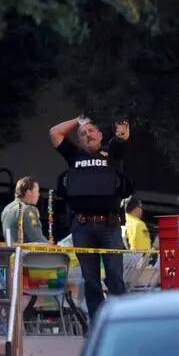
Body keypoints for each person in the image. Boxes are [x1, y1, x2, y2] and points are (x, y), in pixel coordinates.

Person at [50, 114, 131, 321]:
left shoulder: (112, 153)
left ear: (101, 134)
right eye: (83, 134)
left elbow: (122, 138)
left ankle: (123, 324)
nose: (88, 135)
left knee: (115, 279)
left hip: (110, 225)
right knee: (91, 281)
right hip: (82, 227)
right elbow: (55, 133)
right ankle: (97, 326)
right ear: (80, 140)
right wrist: (78, 121)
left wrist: (122, 133)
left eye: (91, 131)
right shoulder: (74, 155)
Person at [1, 176, 46, 244]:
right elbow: (38, 239)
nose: (39, 194)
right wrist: (56, 247)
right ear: (28, 192)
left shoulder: (6, 209)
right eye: (37, 191)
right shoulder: (28, 210)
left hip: (10, 253)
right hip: (26, 254)